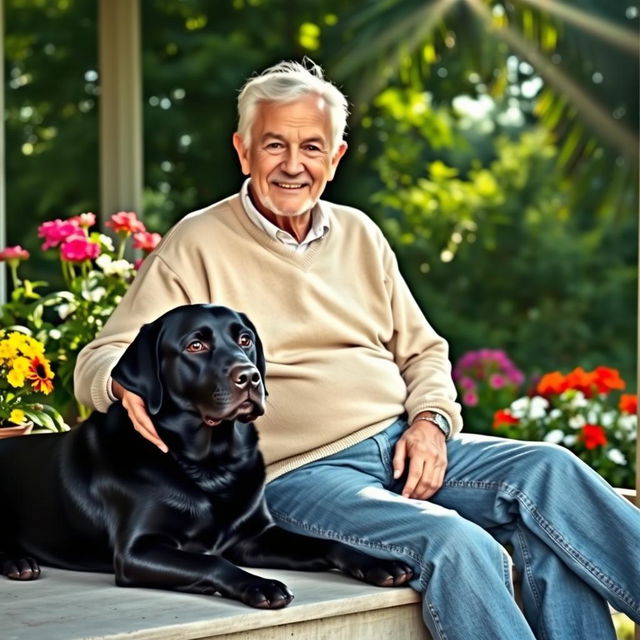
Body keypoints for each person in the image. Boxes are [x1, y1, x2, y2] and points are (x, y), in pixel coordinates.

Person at [75, 60, 640, 640]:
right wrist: (118, 384)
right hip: (297, 476)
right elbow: (105, 355)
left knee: (551, 472)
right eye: (275, 145)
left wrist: (430, 422)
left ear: (336, 157)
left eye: (312, 147)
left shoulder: (361, 234)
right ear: (244, 152)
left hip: (404, 448)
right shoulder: (196, 243)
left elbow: (424, 351)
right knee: (457, 543)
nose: (293, 165)